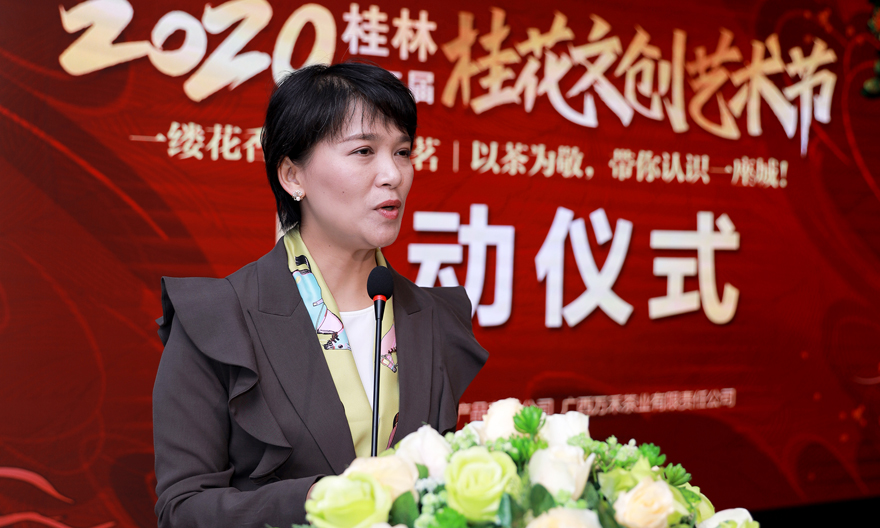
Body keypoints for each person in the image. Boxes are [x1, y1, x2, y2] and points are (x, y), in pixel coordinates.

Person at [152, 62, 488, 528]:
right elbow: (182, 509)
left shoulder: (435, 317)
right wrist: (316, 499)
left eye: (403, 152)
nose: (392, 173)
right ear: (293, 176)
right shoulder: (218, 319)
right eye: (364, 151)